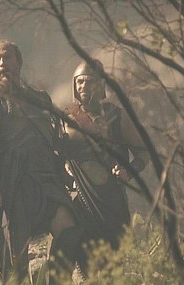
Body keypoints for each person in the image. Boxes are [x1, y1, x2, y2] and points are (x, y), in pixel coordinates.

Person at [0, 40, 86, 285]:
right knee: (15, 263)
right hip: (12, 187)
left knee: (69, 231)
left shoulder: (38, 98)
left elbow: (55, 140)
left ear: (19, 62)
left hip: (46, 181)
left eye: (7, 57)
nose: (2, 63)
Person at [64, 59, 150, 250]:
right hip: (80, 199)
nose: (84, 86)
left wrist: (128, 171)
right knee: (85, 254)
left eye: (90, 81)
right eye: (80, 81)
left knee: (118, 252)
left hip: (113, 198)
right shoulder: (66, 120)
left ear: (101, 84)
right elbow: (57, 157)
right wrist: (67, 170)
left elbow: (144, 152)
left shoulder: (117, 116)